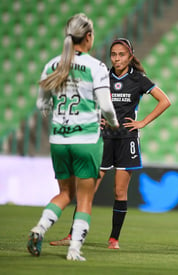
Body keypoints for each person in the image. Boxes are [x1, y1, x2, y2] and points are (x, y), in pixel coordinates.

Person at [49, 38, 171, 249]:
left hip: (127, 140)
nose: (116, 58)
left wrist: (142, 122)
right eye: (114, 54)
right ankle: (73, 235)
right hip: (103, 139)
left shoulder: (139, 79)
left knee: (119, 192)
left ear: (130, 56)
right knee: (88, 189)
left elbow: (165, 101)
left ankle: (114, 239)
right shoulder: (102, 76)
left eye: (121, 54)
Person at [27, 13, 119, 261]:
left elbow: (41, 105)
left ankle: (40, 229)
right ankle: (74, 250)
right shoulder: (96, 67)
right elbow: (107, 107)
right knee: (85, 198)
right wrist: (114, 124)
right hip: (86, 140)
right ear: (88, 37)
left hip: (58, 140)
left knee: (64, 193)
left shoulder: (52, 64)